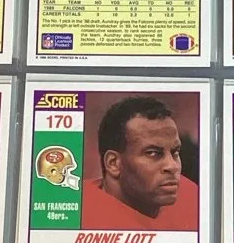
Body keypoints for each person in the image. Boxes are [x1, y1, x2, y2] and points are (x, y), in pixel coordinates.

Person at [81, 96, 199, 230]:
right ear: (113, 163)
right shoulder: (74, 214)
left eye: (175, 152)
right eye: (153, 153)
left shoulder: (193, 198)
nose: (172, 166)